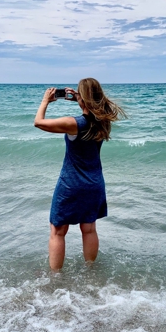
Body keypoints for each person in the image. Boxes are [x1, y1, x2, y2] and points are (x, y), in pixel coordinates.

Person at [34, 78, 126, 270]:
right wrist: (80, 100)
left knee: (58, 230)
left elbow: (39, 123)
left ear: (83, 98)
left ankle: (55, 278)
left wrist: (45, 101)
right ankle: (90, 271)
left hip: (72, 183)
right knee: (89, 228)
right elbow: (92, 113)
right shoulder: (103, 122)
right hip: (94, 183)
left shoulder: (74, 123)